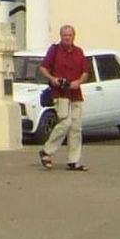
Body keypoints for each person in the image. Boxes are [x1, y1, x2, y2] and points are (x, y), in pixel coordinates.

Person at [37, 24, 90, 171]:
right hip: (60, 93)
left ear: (74, 36)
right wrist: (53, 79)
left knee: (76, 128)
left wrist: (78, 82)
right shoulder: (54, 50)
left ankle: (73, 161)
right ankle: (47, 151)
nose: (67, 38)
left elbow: (85, 72)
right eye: (65, 35)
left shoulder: (79, 52)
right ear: (61, 36)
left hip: (75, 93)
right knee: (65, 122)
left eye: (70, 35)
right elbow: (43, 67)